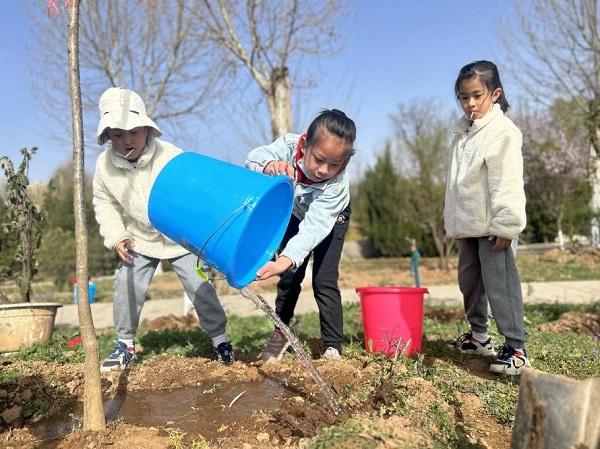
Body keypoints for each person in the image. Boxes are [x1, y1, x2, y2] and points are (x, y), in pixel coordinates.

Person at [92, 87, 234, 371]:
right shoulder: (104, 166)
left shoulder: (170, 155)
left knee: (200, 287)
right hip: (140, 238)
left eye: (134, 132)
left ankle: (220, 340)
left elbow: (195, 192)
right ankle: (125, 344)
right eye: (118, 134)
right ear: (107, 136)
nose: (127, 140)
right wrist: (117, 236)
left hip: (180, 236)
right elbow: (104, 202)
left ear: (147, 129)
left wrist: (201, 229)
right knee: (126, 284)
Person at [245, 109, 356, 362]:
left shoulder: (337, 185)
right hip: (296, 212)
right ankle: (281, 332)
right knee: (289, 278)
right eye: (319, 159)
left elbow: (314, 227)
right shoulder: (288, 146)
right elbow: (253, 158)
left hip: (331, 218)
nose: (324, 170)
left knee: (324, 280)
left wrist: (285, 260)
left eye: (335, 164)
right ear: (305, 145)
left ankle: (332, 345)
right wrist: (270, 165)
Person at [444, 60, 531, 375]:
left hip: (495, 227)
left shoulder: (502, 132)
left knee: (501, 286)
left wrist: (506, 224)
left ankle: (516, 349)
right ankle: (479, 337)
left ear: (495, 94)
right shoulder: (463, 133)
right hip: (470, 226)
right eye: (463, 97)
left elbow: (507, 181)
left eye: (477, 95)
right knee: (470, 283)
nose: (470, 103)